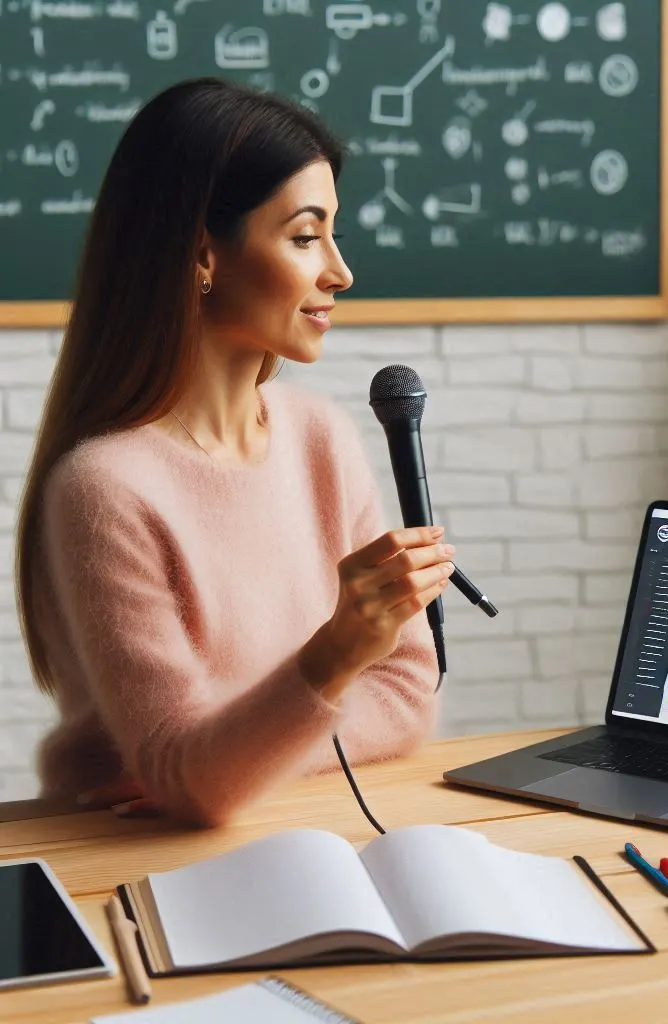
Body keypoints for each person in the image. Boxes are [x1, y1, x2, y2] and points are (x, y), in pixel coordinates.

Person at [13, 78, 453, 827]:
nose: (339, 273)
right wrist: (336, 655)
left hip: (294, 820)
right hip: (126, 855)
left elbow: (409, 696)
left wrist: (228, 759)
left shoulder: (322, 439)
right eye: (306, 236)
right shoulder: (106, 488)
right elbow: (196, 788)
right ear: (202, 253)